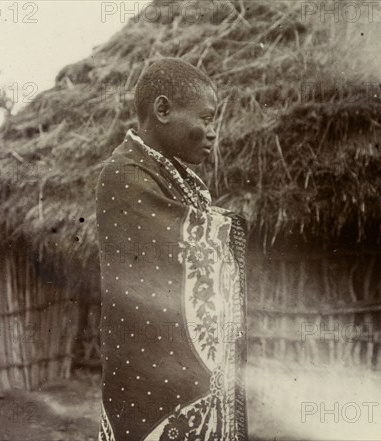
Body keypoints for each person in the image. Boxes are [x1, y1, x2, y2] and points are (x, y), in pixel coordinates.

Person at [96, 58, 248, 441]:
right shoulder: (124, 175)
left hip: (173, 369)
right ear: (163, 109)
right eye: (207, 119)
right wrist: (225, 230)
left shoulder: (170, 175)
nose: (213, 133)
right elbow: (176, 242)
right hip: (145, 373)